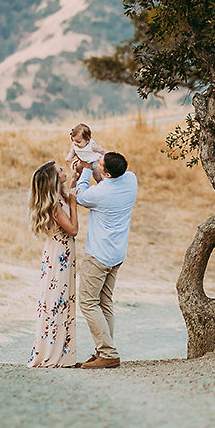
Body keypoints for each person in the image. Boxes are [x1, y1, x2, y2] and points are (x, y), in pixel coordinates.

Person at [72, 151, 137, 369]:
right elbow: (110, 168)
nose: (98, 163)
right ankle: (104, 349)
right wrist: (95, 158)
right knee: (105, 302)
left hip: (98, 255)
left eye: (101, 163)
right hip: (117, 253)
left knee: (89, 303)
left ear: (107, 173)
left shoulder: (99, 194)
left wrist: (85, 170)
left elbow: (80, 195)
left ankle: (108, 353)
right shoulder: (131, 179)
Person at [27, 161, 79, 368]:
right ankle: (53, 353)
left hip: (60, 253)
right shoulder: (56, 204)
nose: (64, 171)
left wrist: (77, 173)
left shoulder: (58, 198)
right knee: (57, 300)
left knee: (60, 300)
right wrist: (73, 205)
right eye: (61, 170)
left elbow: (71, 187)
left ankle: (61, 352)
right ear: (54, 179)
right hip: (59, 257)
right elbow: (73, 230)